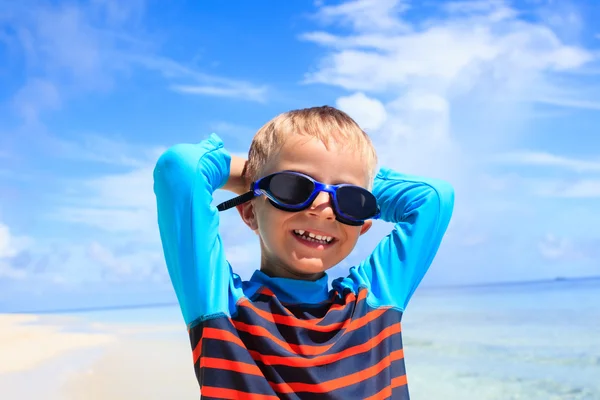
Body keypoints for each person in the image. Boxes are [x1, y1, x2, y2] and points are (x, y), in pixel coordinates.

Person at [153, 106, 454, 399]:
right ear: (249, 212)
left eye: (350, 199)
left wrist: (272, 180)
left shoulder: (374, 301)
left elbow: (433, 198)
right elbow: (181, 167)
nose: (324, 209)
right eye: (293, 187)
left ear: (362, 224)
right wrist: (256, 174)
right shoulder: (221, 306)